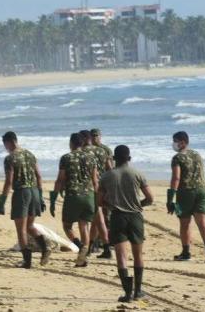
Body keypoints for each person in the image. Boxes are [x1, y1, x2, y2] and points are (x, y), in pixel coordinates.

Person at [98, 145, 154, 302]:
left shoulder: (106, 176)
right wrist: (137, 205)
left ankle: (127, 293)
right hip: (135, 217)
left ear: (114, 159)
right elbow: (150, 198)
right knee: (138, 254)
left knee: (121, 256)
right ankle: (138, 291)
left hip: (117, 217)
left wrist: (112, 205)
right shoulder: (137, 174)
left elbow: (100, 201)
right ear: (129, 158)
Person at [0, 131, 49, 269]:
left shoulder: (10, 158)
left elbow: (9, 181)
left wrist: (1, 203)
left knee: (21, 230)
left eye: (5, 144)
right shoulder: (30, 154)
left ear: (9, 142)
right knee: (29, 226)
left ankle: (27, 261)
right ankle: (45, 248)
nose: (5, 147)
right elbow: (39, 176)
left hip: (22, 193)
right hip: (35, 191)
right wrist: (41, 197)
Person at [167, 131, 205, 263]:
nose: (174, 144)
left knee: (185, 222)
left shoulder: (177, 158)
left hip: (186, 192)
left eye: (175, 141)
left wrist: (170, 197)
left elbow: (176, 178)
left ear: (182, 142)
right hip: (201, 190)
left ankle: (186, 252)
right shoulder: (197, 154)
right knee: (202, 221)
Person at [53, 132, 98, 267]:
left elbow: (60, 179)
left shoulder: (66, 158)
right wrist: (97, 198)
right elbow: (95, 181)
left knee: (67, 226)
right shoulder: (91, 158)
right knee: (84, 225)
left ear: (71, 143)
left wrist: (54, 197)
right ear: (83, 143)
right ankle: (84, 256)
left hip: (73, 196)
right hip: (89, 195)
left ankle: (80, 246)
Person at [80, 129, 111, 259]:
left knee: (85, 220)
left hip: (89, 188)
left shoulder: (83, 152)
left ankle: (87, 247)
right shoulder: (102, 151)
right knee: (99, 219)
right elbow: (110, 168)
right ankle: (102, 247)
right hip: (102, 187)